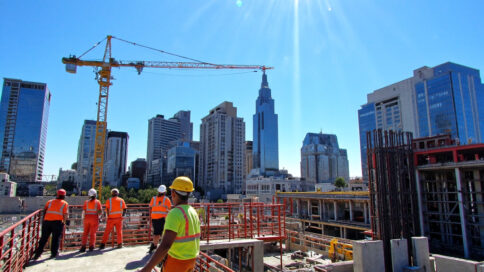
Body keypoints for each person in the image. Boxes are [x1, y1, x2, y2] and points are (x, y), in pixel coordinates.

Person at [139, 177, 200, 272]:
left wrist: (147, 268)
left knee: (156, 234)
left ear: (173, 193)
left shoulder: (175, 213)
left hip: (177, 261)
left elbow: (165, 245)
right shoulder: (193, 211)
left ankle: (153, 246)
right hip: (191, 260)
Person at [32, 189, 69, 260]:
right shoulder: (65, 203)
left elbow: (45, 211)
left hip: (47, 222)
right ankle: (54, 253)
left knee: (44, 238)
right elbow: (65, 214)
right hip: (57, 223)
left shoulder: (49, 202)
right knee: (56, 239)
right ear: (64, 196)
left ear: (57, 195)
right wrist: (64, 222)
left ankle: (38, 253)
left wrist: (44, 221)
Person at [148, 184, 172, 254]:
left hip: (154, 218)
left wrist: (150, 216)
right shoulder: (166, 199)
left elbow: (150, 207)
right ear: (165, 192)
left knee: (156, 233)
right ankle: (160, 247)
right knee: (163, 233)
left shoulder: (154, 198)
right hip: (162, 218)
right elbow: (169, 209)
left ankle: (154, 245)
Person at [79, 188, 102, 252]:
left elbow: (83, 211)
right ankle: (91, 246)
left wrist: (83, 219)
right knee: (93, 233)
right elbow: (100, 212)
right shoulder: (97, 202)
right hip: (94, 219)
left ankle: (83, 247)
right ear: (95, 194)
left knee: (85, 233)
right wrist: (99, 218)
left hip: (86, 219)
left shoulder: (86, 202)